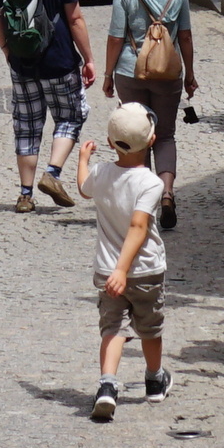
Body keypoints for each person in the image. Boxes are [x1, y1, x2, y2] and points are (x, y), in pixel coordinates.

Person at [102, 0, 194, 228]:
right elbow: (185, 35)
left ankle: (142, 203)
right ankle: (167, 192)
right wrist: (190, 73)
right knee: (165, 135)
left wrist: (107, 74)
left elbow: (116, 35)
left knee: (136, 137)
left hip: (131, 70)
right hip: (168, 71)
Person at [85, 99, 168, 421]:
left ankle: (107, 386)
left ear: (109, 142)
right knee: (150, 327)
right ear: (151, 140)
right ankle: (154, 379)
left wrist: (82, 159)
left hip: (107, 270)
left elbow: (83, 189)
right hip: (145, 269)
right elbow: (139, 225)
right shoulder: (151, 183)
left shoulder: (101, 172)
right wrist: (125, 268)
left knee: (113, 329)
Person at [0, 0, 89, 212]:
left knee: (26, 126)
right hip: (60, 59)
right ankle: (52, 173)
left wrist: (7, 50)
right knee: (70, 116)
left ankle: (25, 195)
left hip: (22, 61)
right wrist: (88, 58)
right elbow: (74, 18)